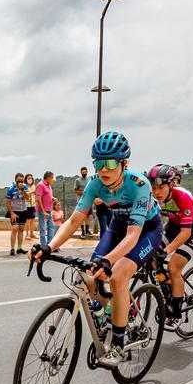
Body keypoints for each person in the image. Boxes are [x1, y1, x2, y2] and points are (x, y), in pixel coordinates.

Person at [30, 131, 162, 366]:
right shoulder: (94, 184)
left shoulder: (139, 185)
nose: (104, 169)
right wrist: (49, 247)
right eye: (99, 163)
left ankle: (119, 345)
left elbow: (133, 236)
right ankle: (104, 315)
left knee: (118, 276)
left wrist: (109, 261)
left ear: (124, 163)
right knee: (90, 277)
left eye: (110, 163)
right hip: (117, 226)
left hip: (145, 231)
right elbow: (73, 221)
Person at [148, 164, 193, 325]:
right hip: (174, 224)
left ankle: (176, 313)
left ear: (171, 184)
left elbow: (186, 233)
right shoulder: (150, 196)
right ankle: (171, 289)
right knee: (151, 257)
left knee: (174, 267)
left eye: (161, 187)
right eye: (153, 188)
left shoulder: (183, 196)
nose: (156, 192)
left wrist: (166, 251)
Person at [7, 172, 30, 255]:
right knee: (15, 228)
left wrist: (22, 190)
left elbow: (27, 198)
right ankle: (12, 248)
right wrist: (11, 213)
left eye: (21, 181)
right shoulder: (11, 189)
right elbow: (8, 202)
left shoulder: (25, 187)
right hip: (15, 211)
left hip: (23, 210)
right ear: (15, 180)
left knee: (21, 229)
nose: (20, 182)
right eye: (18, 181)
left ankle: (19, 248)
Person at [35, 171, 55, 247]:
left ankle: (50, 245)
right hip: (42, 211)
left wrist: (53, 198)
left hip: (49, 210)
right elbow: (38, 199)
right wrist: (43, 211)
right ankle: (43, 246)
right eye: (52, 178)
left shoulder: (48, 185)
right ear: (48, 178)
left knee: (51, 227)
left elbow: (47, 195)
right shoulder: (40, 185)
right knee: (43, 229)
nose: (53, 179)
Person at [73, 166, 91, 237]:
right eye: (82, 172)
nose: (84, 173)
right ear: (81, 172)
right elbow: (75, 190)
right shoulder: (77, 180)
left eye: (85, 172)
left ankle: (87, 231)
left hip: (89, 200)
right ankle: (83, 231)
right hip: (80, 200)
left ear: (87, 172)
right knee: (81, 216)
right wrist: (83, 192)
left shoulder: (89, 179)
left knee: (87, 216)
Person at [23, 173, 38, 241]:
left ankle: (32, 234)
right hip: (27, 205)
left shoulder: (34, 186)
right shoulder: (24, 186)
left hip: (33, 204)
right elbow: (26, 194)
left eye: (31, 178)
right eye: (28, 178)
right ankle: (27, 234)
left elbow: (36, 194)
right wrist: (33, 192)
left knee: (32, 219)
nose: (30, 179)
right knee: (28, 220)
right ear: (26, 179)